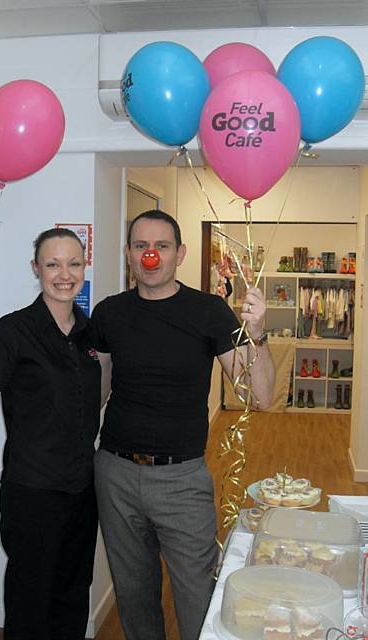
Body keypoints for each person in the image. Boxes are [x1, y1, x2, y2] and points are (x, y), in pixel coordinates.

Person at [91, 209, 274, 640]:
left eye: (162, 246)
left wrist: (260, 334)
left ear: (180, 254)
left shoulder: (208, 311)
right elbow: (96, 393)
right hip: (115, 473)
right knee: (134, 597)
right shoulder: (108, 313)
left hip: (182, 479)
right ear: (129, 256)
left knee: (198, 598)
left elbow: (260, 397)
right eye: (141, 246)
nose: (150, 255)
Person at [0, 228, 101, 640]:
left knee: (72, 598)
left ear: (84, 267)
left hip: (83, 491)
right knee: (31, 606)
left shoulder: (90, 333)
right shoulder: (12, 331)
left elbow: (91, 401)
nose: (64, 274)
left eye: (73, 263)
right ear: (36, 269)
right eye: (52, 264)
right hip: (33, 494)